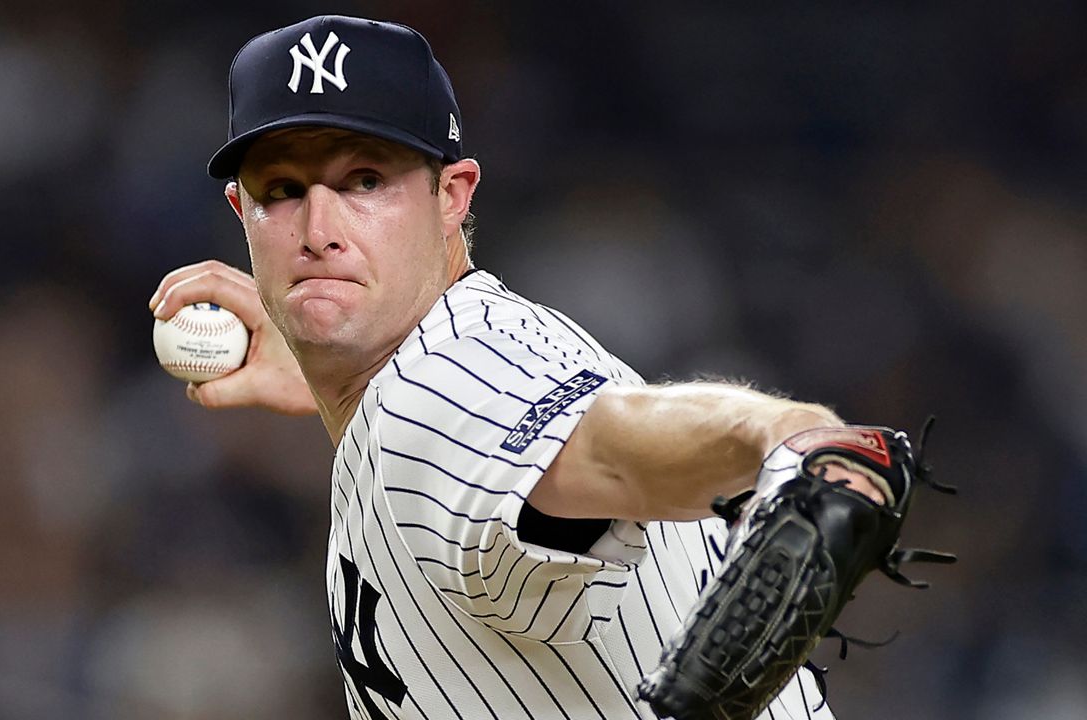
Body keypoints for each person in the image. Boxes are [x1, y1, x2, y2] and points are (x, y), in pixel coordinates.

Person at [150, 15, 889, 720]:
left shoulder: (440, 387)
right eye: (282, 190)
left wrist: (787, 436)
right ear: (239, 210)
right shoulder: (421, 379)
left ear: (452, 195)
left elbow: (614, 448)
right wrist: (327, 375)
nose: (318, 230)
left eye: (365, 181)